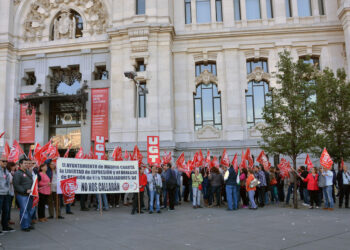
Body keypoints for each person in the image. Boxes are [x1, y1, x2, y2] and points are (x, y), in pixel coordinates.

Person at [13, 157, 33, 232]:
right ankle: (24, 226)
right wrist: (25, 190)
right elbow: (16, 185)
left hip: (30, 194)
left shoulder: (27, 171)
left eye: (27, 163)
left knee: (29, 210)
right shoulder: (17, 173)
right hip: (22, 195)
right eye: (25, 163)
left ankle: (28, 224)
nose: (27, 164)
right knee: (24, 210)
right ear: (20, 164)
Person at [0, 157, 14, 233]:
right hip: (0, 194)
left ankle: (5, 226)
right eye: (3, 161)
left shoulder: (6, 170)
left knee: (6, 211)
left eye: (6, 161)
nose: (5, 162)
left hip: (7, 193)